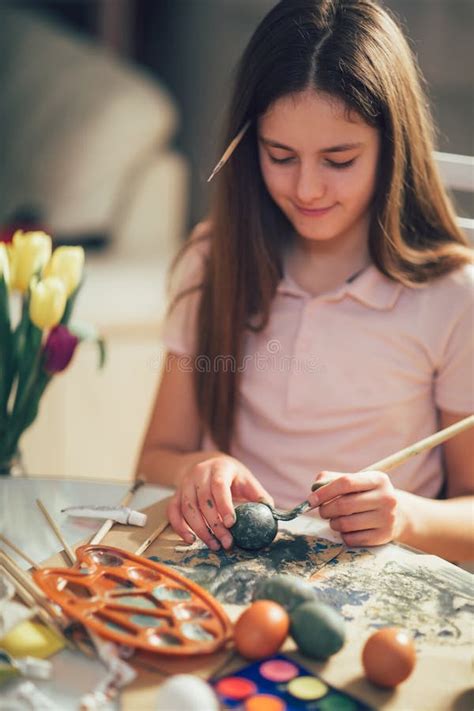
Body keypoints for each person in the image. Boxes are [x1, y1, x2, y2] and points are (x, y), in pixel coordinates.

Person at [136, 0, 473, 562]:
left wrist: (406, 513)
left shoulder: (452, 295)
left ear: (393, 149)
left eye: (339, 160)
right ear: (248, 145)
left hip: (379, 589)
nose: (308, 189)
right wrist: (198, 467)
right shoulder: (214, 259)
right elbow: (153, 458)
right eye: (281, 155)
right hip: (227, 573)